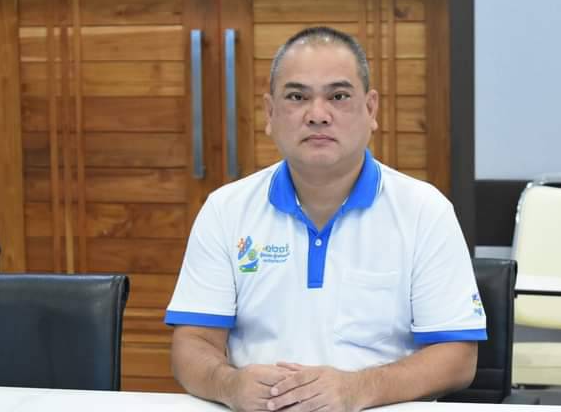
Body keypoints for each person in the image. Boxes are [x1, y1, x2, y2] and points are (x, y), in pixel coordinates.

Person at [165, 26, 486, 412]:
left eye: (338, 96)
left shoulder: (424, 211)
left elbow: (458, 357)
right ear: (270, 113)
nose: (318, 115)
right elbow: (193, 343)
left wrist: (358, 389)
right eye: (297, 97)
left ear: (371, 110)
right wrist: (230, 385)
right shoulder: (225, 209)